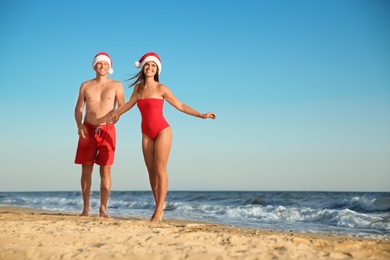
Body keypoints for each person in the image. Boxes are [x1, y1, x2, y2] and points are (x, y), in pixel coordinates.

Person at [108, 52, 216, 221]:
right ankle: (159, 203)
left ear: (157, 69)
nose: (150, 68)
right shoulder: (138, 89)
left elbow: (180, 105)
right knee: (150, 171)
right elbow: (129, 104)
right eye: (147, 65)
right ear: (143, 67)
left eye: (153, 66)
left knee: (160, 169)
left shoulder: (161, 88)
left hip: (162, 131)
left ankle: (158, 210)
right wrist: (116, 114)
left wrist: (201, 115)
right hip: (146, 133)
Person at [74, 52, 125, 218]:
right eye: (99, 64)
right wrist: (79, 124)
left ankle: (103, 208)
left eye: (105, 64)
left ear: (110, 67)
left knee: (106, 171)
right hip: (87, 130)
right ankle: (86, 207)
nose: (102, 67)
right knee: (86, 170)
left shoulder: (117, 85)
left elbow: (122, 106)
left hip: (107, 130)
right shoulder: (85, 85)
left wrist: (116, 115)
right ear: (94, 66)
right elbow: (79, 108)